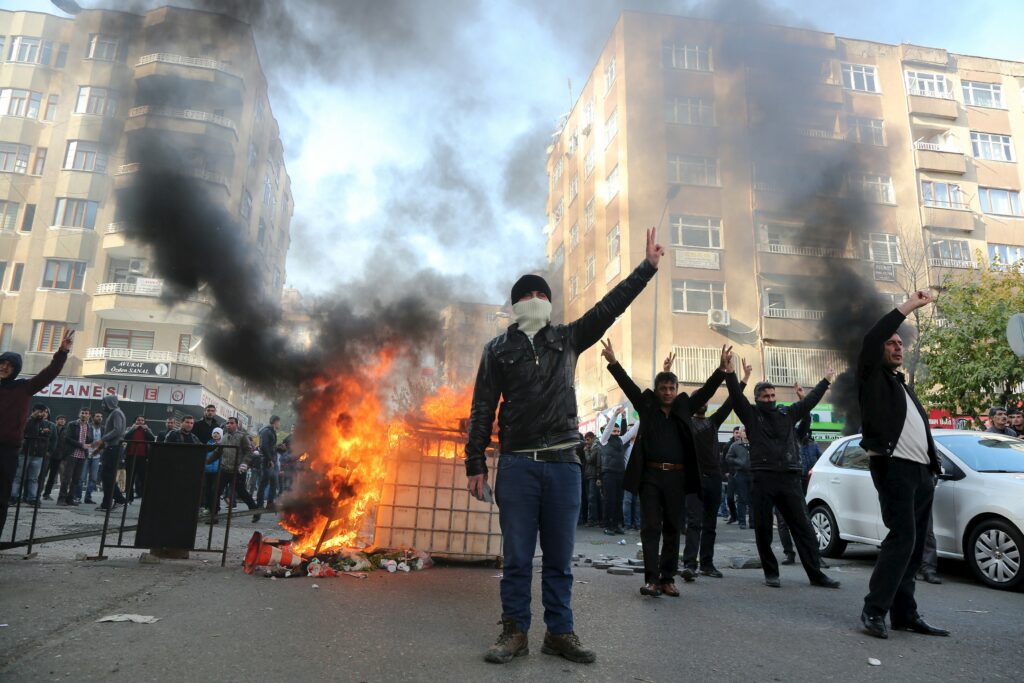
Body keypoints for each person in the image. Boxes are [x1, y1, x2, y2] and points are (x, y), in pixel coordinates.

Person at [465, 228, 663, 665]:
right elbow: (482, 408)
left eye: (541, 293)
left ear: (550, 303)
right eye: (527, 294)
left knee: (560, 559)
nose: (535, 298)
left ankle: (560, 632)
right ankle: (514, 631)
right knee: (516, 557)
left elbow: (609, 308)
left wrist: (646, 269)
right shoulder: (497, 350)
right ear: (515, 306)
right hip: (516, 464)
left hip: (563, 464)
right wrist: (474, 463)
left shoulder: (568, 339)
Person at [602, 339, 728, 598]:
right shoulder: (647, 406)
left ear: (677, 389)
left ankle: (668, 579)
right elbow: (629, 386)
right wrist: (613, 363)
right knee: (650, 527)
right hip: (649, 476)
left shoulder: (684, 407)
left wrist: (721, 370)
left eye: (672, 388)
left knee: (672, 526)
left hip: (677, 477)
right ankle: (651, 580)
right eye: (663, 388)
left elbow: (705, 393)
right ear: (657, 390)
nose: (668, 392)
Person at [858, 291, 949, 640]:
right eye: (891, 343)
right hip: (893, 468)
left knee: (912, 546)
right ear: (879, 348)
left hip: (921, 473)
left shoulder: (902, 387)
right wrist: (911, 305)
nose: (898, 347)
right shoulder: (870, 377)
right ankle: (873, 610)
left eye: (900, 344)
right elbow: (872, 336)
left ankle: (905, 613)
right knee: (902, 539)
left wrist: (932, 467)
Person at [724, 354, 840, 590]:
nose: (770, 399)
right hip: (762, 478)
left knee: (804, 527)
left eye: (772, 395)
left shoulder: (787, 414)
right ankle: (771, 573)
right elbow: (736, 398)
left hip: (788, 478)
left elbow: (809, 403)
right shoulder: (752, 415)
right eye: (765, 396)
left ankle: (816, 574)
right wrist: (731, 374)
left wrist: (826, 380)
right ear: (757, 399)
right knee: (764, 529)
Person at [682, 356, 751, 579]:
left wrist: (744, 379)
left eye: (704, 400)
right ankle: (690, 564)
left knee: (711, 523)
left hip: (713, 478)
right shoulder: (685, 423)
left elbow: (732, 402)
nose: (702, 402)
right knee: (694, 522)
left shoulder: (713, 422)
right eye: (697, 398)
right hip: (693, 478)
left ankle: (707, 564)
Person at [0, 331, 70, 534]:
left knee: (2, 496)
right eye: (2, 363)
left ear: (16, 369)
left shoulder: (23, 388)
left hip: (7, 451)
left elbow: (49, 374)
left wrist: (62, 352)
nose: (4, 367)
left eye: (9, 365)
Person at [598, 408, 638, 535]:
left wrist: (642, 416)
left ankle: (616, 525)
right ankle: (607, 525)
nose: (616, 432)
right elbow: (609, 428)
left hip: (620, 473)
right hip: (608, 473)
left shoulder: (621, 440)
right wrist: (615, 415)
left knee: (619, 500)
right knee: (609, 500)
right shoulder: (604, 440)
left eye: (618, 430)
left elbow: (633, 431)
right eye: (614, 430)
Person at [12, 404, 57, 506]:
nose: (42, 414)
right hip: (25, 453)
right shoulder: (27, 421)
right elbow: (23, 434)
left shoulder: (47, 424)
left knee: (33, 478)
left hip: (38, 455)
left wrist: (47, 450)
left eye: (44, 412)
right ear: (34, 411)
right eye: (40, 411)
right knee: (19, 476)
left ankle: (32, 498)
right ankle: (13, 496)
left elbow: (51, 439)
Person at [219, 417, 261, 522]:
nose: (229, 425)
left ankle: (255, 510)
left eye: (231, 423)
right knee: (216, 491)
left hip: (238, 470)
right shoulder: (224, 437)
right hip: (225, 469)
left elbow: (249, 451)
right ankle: (213, 515)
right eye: (227, 423)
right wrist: (206, 461)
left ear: (236, 425)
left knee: (242, 492)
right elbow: (217, 452)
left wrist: (244, 463)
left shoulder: (242, 437)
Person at [91, 395, 127, 511]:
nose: (102, 406)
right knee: (107, 477)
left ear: (109, 403)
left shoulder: (116, 413)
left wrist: (102, 440)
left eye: (104, 403)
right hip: (111, 448)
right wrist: (99, 448)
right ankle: (114, 501)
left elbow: (118, 430)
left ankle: (114, 501)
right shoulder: (115, 413)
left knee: (107, 476)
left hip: (114, 448)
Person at [58, 408, 93, 506]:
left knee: (76, 479)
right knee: (66, 478)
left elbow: (91, 439)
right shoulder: (72, 424)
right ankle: (61, 499)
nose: (84, 415)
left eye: (86, 413)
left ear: (89, 415)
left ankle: (70, 499)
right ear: (79, 414)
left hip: (82, 455)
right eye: (82, 413)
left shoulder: (89, 426)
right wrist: (81, 445)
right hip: (72, 454)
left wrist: (89, 444)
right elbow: (67, 438)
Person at [725, 429, 753, 529]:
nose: (746, 432)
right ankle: (742, 522)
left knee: (752, 499)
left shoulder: (755, 444)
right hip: (740, 474)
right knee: (741, 498)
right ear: (740, 433)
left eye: (747, 430)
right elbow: (728, 458)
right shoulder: (735, 445)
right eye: (744, 431)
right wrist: (738, 462)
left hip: (753, 474)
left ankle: (752, 522)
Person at [123, 416, 155, 501]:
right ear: (135, 421)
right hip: (131, 456)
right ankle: (129, 498)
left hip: (143, 457)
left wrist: (146, 430)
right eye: (138, 420)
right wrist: (133, 429)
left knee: (143, 478)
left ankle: (145, 497)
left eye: (142, 420)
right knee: (130, 477)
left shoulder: (147, 430)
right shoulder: (130, 429)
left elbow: (152, 439)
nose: (140, 422)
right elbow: (125, 438)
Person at [40, 413, 67, 500]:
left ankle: (47, 494)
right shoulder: (51, 427)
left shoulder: (66, 430)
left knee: (52, 477)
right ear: (56, 421)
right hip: (48, 455)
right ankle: (37, 493)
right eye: (60, 419)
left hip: (58, 457)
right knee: (42, 475)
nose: (62, 421)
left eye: (63, 419)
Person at [257, 417, 281, 511]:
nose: (280, 424)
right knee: (264, 483)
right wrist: (270, 459)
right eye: (279, 422)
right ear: (275, 422)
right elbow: (263, 446)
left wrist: (278, 448)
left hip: (272, 461)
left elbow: (270, 447)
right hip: (267, 461)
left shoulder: (271, 431)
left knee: (274, 483)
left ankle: (270, 503)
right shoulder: (266, 431)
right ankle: (260, 504)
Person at [80, 411, 104, 504]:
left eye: (101, 416)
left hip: (96, 456)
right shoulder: (87, 426)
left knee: (93, 478)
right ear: (93, 417)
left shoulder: (103, 428)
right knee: (82, 478)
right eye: (98, 416)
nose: (100, 418)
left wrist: (99, 450)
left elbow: (105, 441)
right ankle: (77, 497)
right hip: (86, 454)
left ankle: (88, 498)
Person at [620, 423, 641, 530]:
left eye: (632, 430)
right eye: (628, 431)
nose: (630, 432)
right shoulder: (624, 446)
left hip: (639, 476)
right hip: (627, 476)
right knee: (627, 501)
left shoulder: (641, 445)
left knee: (638, 502)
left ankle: (638, 524)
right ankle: (627, 524)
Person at [580, 432, 602, 527]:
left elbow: (590, 460)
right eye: (585, 440)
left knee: (592, 499)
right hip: (588, 475)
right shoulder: (590, 447)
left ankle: (593, 520)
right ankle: (594, 519)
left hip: (593, 475)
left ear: (592, 438)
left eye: (588, 439)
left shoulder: (596, 447)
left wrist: (586, 451)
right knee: (591, 498)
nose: (586, 442)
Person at [203, 427, 224, 522]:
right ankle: (207, 507)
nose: (216, 435)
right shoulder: (208, 443)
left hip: (217, 470)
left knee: (214, 490)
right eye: (214, 433)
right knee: (207, 489)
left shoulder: (222, 444)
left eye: (218, 433)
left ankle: (215, 508)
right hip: (207, 470)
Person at [722, 426, 741, 521]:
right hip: (732, 474)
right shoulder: (728, 445)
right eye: (736, 432)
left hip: (742, 474)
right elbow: (723, 460)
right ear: (733, 433)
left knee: (742, 498)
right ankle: (734, 515)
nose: (738, 434)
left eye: (739, 432)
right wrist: (725, 471)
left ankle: (742, 519)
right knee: (729, 497)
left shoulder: (744, 444)